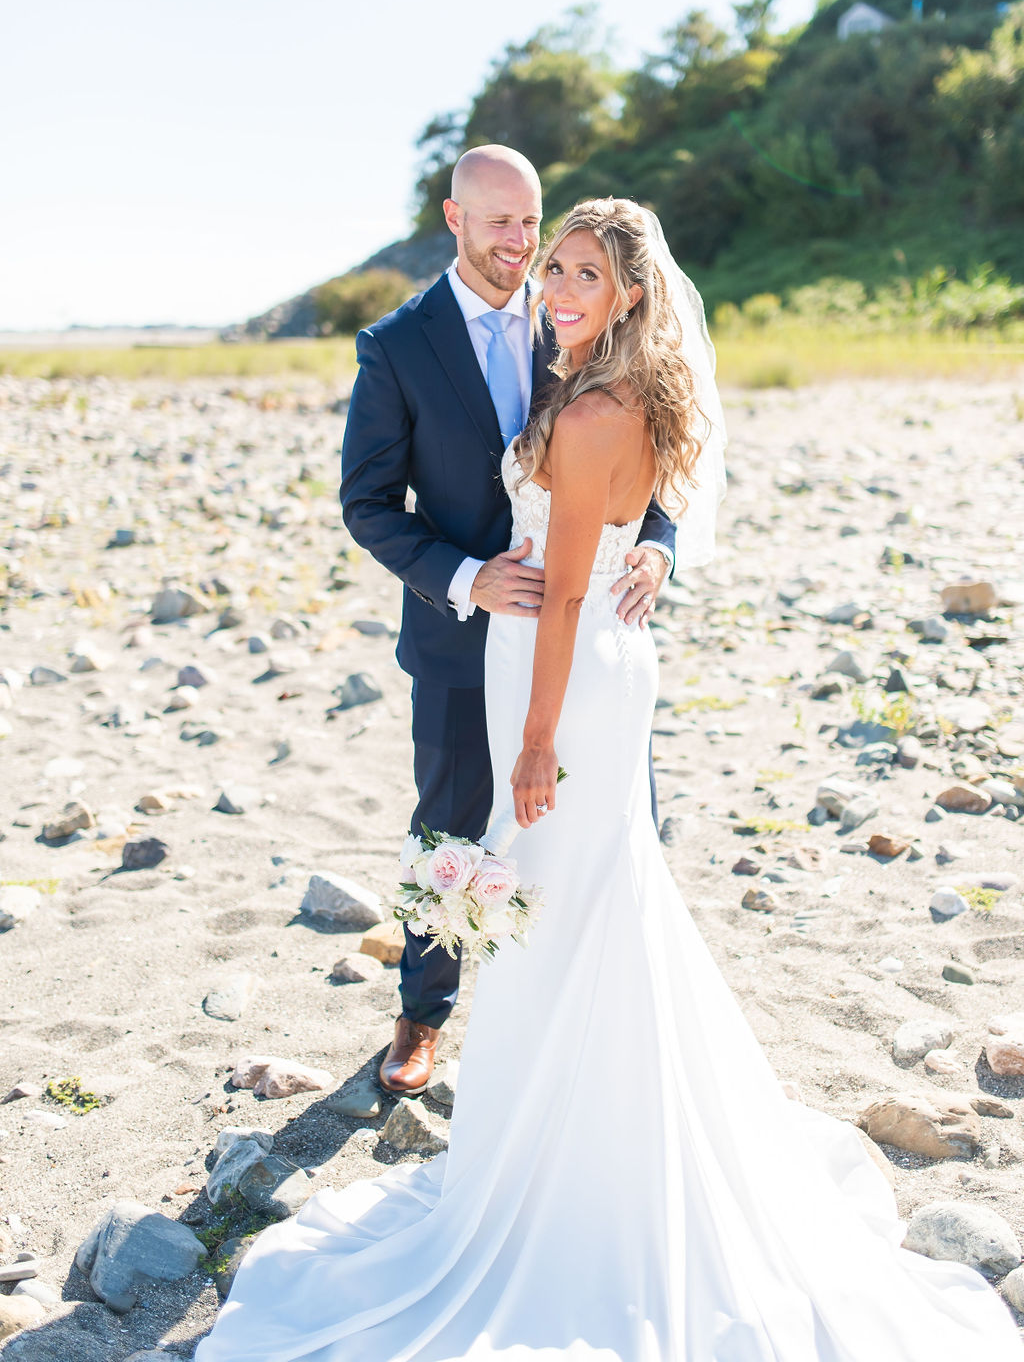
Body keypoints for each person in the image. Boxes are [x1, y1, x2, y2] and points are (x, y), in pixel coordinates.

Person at [196, 199, 1022, 1361]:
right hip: (553, 661)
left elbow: (574, 592)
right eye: (551, 267)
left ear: (632, 291)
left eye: (582, 269)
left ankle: (573, 1163)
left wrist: (535, 741)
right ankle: (557, 1124)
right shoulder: (592, 374)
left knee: (568, 902)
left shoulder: (591, 407)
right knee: (580, 901)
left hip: (565, 675)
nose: (557, 286)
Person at [338, 146, 676, 1096]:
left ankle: (611, 1029)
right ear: (454, 220)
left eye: (531, 222)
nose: (522, 244)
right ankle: (421, 1016)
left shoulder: (573, 311)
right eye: (499, 223)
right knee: (450, 823)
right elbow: (367, 503)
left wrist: (660, 544)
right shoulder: (397, 344)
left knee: (614, 823)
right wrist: (462, 576)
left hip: (585, 632)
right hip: (458, 637)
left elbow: (652, 447)